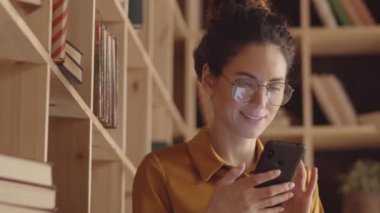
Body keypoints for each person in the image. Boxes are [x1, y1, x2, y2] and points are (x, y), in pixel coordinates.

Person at [132, 0, 324, 212]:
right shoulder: (161, 173)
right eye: (245, 85)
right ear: (208, 79)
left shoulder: (299, 185)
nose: (261, 102)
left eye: (274, 87)